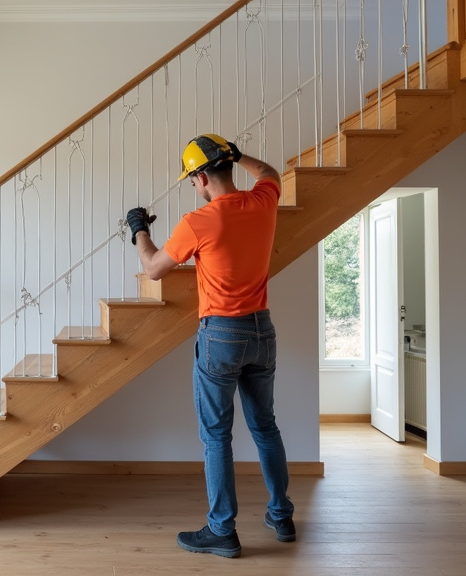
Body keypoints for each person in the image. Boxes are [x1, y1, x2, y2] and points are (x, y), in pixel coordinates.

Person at [125, 133, 295, 559]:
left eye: (192, 179)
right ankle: (281, 514)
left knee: (217, 437)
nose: (193, 186)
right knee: (265, 427)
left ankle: (222, 530)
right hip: (262, 331)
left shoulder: (199, 221)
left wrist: (139, 229)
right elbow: (271, 173)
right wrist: (242, 155)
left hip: (221, 334)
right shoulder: (263, 200)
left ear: (201, 177)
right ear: (230, 165)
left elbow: (153, 269)